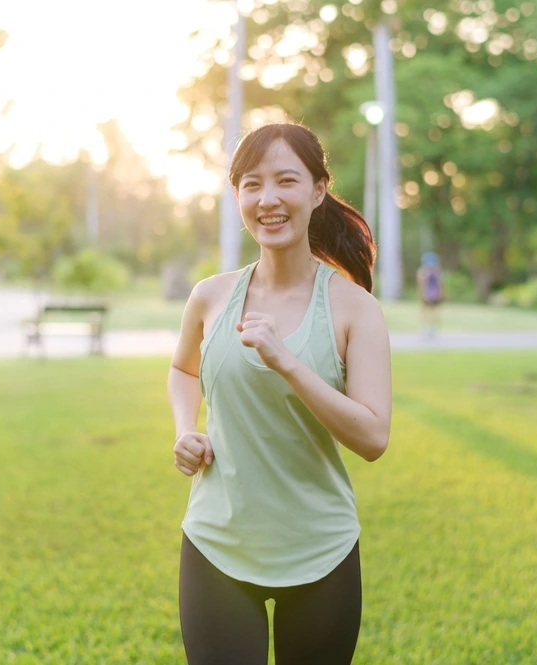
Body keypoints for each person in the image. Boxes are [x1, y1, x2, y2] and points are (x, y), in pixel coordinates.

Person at [167, 123, 392, 665]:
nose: (267, 199)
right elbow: (183, 369)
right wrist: (185, 429)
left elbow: (372, 436)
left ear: (317, 191)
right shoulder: (210, 296)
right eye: (251, 184)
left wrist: (287, 363)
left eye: (285, 181)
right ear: (238, 196)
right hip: (218, 542)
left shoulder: (353, 307)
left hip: (320, 549)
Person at [416, 251, 444, 338]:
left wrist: (441, 293)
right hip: (427, 293)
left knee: (433, 311)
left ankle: (432, 328)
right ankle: (426, 328)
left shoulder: (436, 272)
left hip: (434, 294)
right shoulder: (423, 272)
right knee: (425, 311)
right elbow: (421, 284)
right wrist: (422, 294)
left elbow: (440, 284)